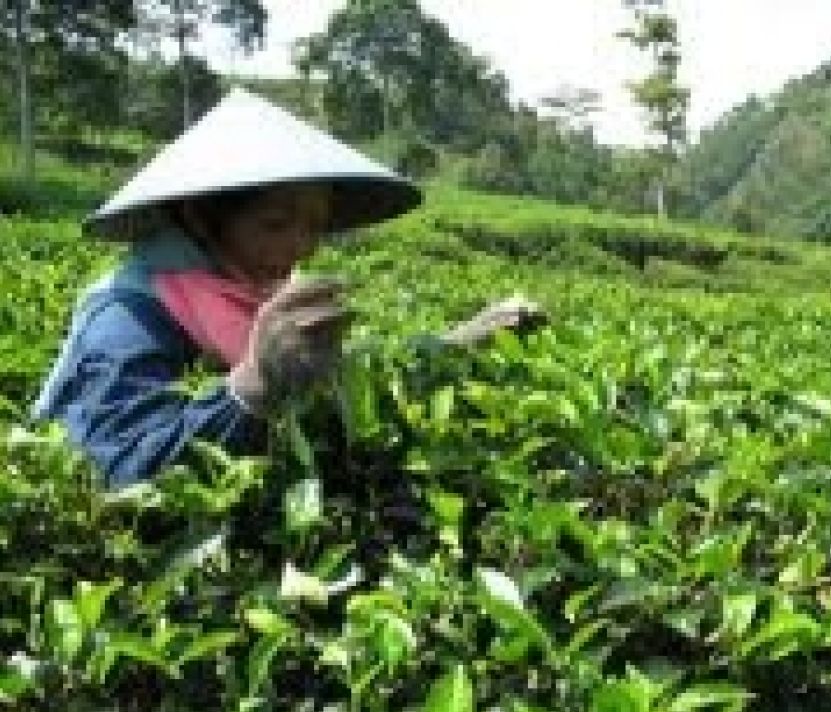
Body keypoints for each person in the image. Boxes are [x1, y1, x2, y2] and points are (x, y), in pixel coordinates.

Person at [32, 88, 546, 488]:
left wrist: (463, 340)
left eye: (315, 226)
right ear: (201, 218)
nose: (302, 247)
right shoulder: (131, 317)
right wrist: (251, 388)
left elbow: (359, 377)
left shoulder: (252, 292)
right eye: (277, 224)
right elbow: (119, 466)